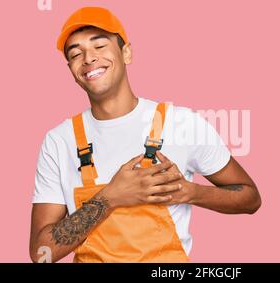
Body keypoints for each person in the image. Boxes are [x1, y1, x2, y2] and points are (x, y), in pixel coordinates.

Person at [29, 6, 261, 263]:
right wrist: (110, 197)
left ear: (126, 52)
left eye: (100, 45)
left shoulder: (181, 123)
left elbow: (250, 198)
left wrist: (190, 192)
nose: (88, 58)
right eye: (75, 53)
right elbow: (41, 254)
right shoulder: (59, 141)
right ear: (73, 71)